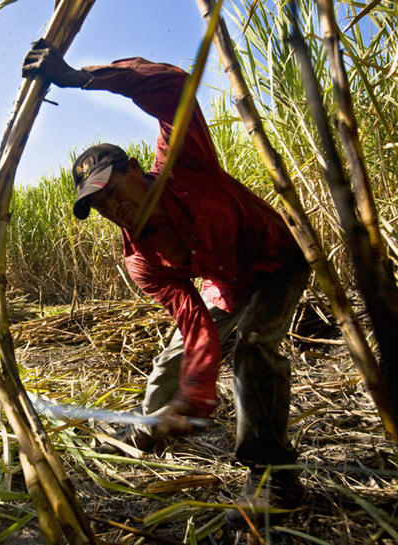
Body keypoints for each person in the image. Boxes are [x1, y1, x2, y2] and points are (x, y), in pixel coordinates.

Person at [23, 39, 310, 520]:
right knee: (174, 359)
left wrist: (82, 78)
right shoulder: (141, 260)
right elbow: (195, 322)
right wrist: (192, 396)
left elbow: (175, 88)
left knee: (254, 347)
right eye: (98, 206)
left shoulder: (184, 164)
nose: (112, 207)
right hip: (228, 283)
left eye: (111, 191)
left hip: (278, 260)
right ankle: (148, 431)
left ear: (135, 170)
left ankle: (276, 479)